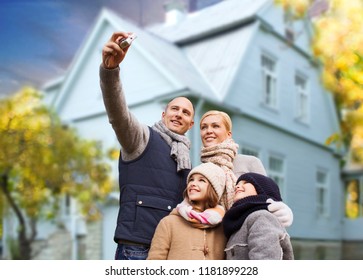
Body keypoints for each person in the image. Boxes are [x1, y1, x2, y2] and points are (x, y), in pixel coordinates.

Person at [100, 31, 195, 260]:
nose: (178, 114)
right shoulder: (141, 138)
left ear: (191, 124)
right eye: (174, 109)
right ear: (164, 114)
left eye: (185, 112)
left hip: (171, 251)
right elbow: (118, 114)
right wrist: (110, 72)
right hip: (137, 249)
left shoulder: (187, 161)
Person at [199, 110, 293, 225]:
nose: (208, 131)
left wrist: (284, 212)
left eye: (215, 126)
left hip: (245, 233)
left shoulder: (249, 162)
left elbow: (270, 199)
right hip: (211, 236)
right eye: (204, 127)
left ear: (229, 134)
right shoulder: (200, 171)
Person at [147, 162, 227, 260]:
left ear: (214, 189)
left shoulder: (223, 227)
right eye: (191, 180)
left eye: (201, 180)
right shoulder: (169, 223)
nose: (193, 183)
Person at [222, 172, 294, 260]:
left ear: (262, 190)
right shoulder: (239, 223)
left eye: (245, 183)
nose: (237, 186)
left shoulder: (262, 217)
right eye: (237, 184)